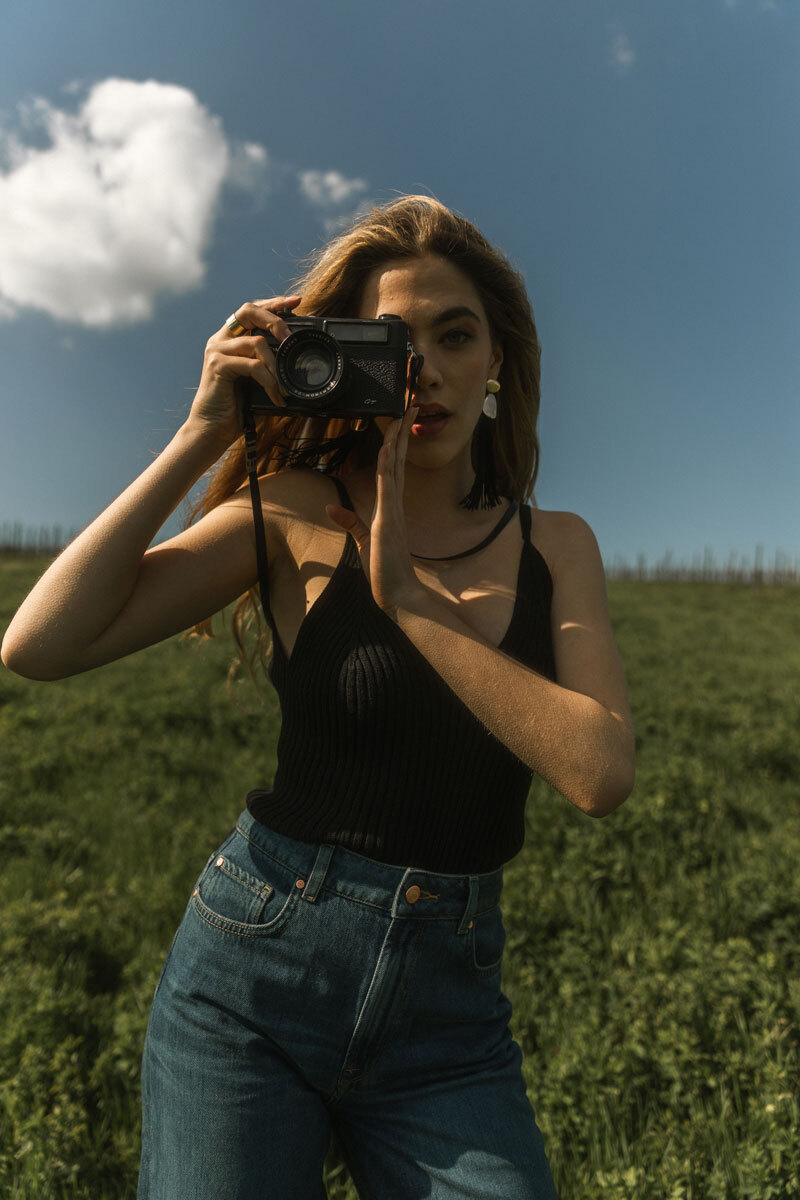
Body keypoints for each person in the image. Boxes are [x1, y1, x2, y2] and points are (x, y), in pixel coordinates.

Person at [1, 195, 635, 1199]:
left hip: (448, 1017)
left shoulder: (556, 544)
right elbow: (39, 644)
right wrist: (203, 432)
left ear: (496, 361)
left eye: (452, 334)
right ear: (343, 358)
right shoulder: (297, 509)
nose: (421, 368)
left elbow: (597, 771)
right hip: (253, 975)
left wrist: (408, 607)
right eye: (387, 342)